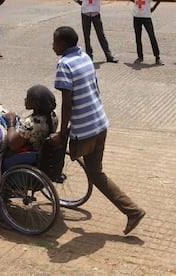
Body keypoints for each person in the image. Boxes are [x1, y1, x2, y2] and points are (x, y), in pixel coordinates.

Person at [50, 26, 145, 235]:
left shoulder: (64, 64)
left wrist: (62, 132)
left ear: (64, 45)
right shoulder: (85, 57)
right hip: (100, 122)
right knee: (95, 169)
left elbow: (66, 102)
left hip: (84, 130)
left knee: (90, 170)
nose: (52, 45)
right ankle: (132, 211)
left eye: (54, 42)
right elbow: (95, 87)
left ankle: (133, 211)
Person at [130, 0, 164, 65]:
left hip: (146, 16)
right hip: (136, 16)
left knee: (152, 36)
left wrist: (154, 7)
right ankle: (140, 56)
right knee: (138, 38)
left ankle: (157, 57)